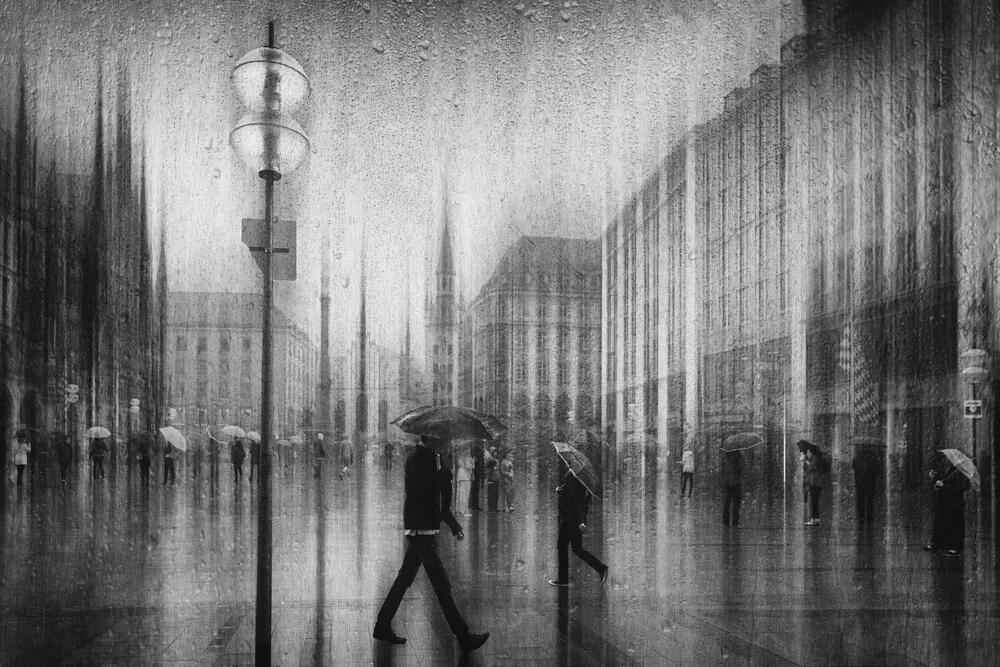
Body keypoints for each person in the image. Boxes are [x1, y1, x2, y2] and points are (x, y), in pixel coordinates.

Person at [373, 435, 490, 654]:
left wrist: (453, 524)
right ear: (432, 439)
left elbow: (437, 500)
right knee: (441, 583)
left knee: (404, 578)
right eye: (442, 440)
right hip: (420, 530)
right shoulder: (418, 458)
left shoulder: (432, 458)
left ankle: (382, 625)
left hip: (423, 528)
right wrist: (441, 477)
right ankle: (463, 636)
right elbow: (421, 493)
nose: (446, 443)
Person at [548, 462, 608, 587]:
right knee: (576, 549)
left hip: (570, 520)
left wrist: (580, 521)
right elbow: (573, 496)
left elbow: (576, 501)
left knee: (562, 547)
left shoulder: (573, 477)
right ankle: (601, 568)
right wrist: (560, 491)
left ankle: (563, 579)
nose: (567, 465)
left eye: (568, 464)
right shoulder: (578, 479)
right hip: (573, 519)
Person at [924, 453, 971, 556]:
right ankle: (937, 544)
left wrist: (943, 486)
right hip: (945, 503)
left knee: (954, 525)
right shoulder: (953, 469)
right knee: (941, 523)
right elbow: (943, 482)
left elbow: (959, 489)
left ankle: (954, 548)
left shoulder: (963, 472)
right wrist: (934, 478)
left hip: (955, 504)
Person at [799, 440, 829, 526]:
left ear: (812, 452)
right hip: (814, 483)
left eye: (809, 452)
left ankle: (813, 519)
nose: (808, 454)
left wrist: (806, 461)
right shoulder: (813, 459)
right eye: (807, 452)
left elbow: (812, 467)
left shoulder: (815, 459)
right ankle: (816, 518)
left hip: (815, 483)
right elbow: (808, 470)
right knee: (814, 502)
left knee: (814, 502)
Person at [851, 444, 884, 523]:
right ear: (870, 447)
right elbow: (878, 467)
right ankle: (869, 516)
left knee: (860, 499)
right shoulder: (873, 456)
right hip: (870, 481)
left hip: (859, 481)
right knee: (870, 499)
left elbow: (853, 466)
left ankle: (861, 517)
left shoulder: (857, 455)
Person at [721, 448, 742, 527]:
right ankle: (735, 521)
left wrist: (725, 477)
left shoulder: (725, 456)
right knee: (736, 502)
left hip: (727, 481)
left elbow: (722, 469)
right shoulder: (737, 455)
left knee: (727, 500)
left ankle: (725, 520)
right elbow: (740, 467)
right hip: (736, 481)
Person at [455, 447, 472, 516]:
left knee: (460, 493)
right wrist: (472, 464)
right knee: (465, 494)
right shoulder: (467, 457)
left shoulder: (460, 455)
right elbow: (468, 466)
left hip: (461, 475)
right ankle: (464, 511)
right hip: (466, 476)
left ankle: (459, 510)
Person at [470, 441, 485, 511]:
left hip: (478, 472)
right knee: (475, 489)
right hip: (476, 472)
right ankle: (473, 505)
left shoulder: (480, 455)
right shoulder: (477, 452)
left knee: (476, 489)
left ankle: (475, 505)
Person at [486, 447, 500, 512]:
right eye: (494, 452)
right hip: (491, 479)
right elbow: (487, 469)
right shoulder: (489, 459)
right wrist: (492, 469)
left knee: (496, 494)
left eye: (496, 452)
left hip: (497, 479)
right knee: (491, 494)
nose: (495, 453)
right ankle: (491, 508)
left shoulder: (497, 460)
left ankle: (495, 507)